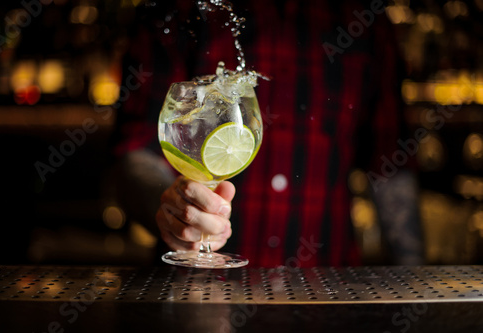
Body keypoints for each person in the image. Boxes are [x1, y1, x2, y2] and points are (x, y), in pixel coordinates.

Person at [111, 0, 422, 267]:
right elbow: (135, 150)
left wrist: (413, 280)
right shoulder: (179, 9)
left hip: (326, 289)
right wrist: (175, 213)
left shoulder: (362, 15)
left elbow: (389, 163)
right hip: (195, 291)